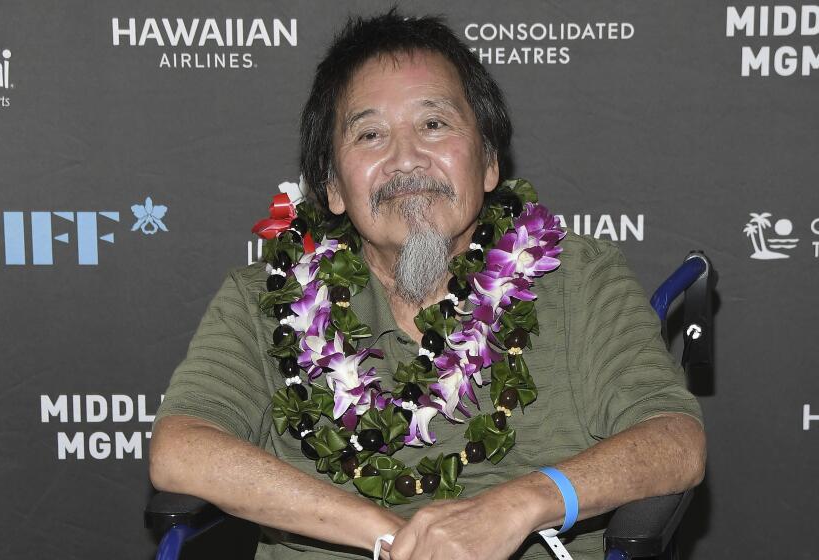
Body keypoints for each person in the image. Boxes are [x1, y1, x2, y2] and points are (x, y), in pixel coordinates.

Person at [150, 10, 705, 560]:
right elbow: (180, 451)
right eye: (370, 134)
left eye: (434, 124)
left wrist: (515, 508)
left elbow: (674, 441)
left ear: (489, 163)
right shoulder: (263, 300)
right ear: (334, 190)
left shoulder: (577, 278)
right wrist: (392, 536)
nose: (405, 158)